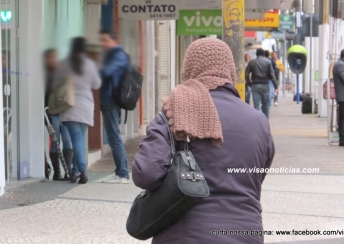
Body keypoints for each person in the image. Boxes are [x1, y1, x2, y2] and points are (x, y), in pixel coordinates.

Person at [132, 38, 275, 244]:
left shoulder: (175, 110)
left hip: (185, 234)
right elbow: (255, 179)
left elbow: (146, 175)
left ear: (189, 69)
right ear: (230, 70)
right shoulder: (259, 121)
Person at [56, 37, 101, 183]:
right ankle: (75, 172)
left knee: (76, 140)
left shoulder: (64, 64)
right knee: (79, 140)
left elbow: (56, 82)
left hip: (70, 105)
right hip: (86, 105)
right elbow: (97, 84)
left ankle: (82, 170)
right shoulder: (89, 64)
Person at [99, 29, 130, 184]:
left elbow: (106, 72)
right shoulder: (115, 55)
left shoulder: (118, 55)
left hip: (111, 100)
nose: (102, 44)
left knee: (114, 138)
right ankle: (121, 173)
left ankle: (123, 174)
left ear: (114, 41)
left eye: (105, 40)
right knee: (114, 137)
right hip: (109, 100)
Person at [44, 49, 73, 181]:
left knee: (67, 140)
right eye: (50, 57)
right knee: (56, 141)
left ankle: (68, 171)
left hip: (65, 111)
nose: (53, 60)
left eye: (55, 57)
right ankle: (57, 172)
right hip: (52, 112)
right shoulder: (46, 75)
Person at [246, 48, 278, 118]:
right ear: (263, 54)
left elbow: (246, 74)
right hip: (265, 85)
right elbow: (272, 75)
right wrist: (276, 86)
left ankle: (257, 123)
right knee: (265, 105)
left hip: (255, 85)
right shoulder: (268, 62)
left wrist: (249, 83)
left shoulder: (252, 62)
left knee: (256, 105)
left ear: (256, 54)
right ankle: (265, 122)